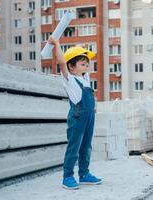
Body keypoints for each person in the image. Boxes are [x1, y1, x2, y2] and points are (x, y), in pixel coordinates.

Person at [48, 36, 102, 190]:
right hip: (77, 117)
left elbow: (89, 94)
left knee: (86, 146)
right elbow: (62, 61)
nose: (86, 67)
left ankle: (84, 174)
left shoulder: (85, 78)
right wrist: (56, 44)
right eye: (82, 64)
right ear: (71, 67)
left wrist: (82, 47)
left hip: (89, 116)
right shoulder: (69, 79)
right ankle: (68, 176)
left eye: (87, 64)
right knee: (74, 147)